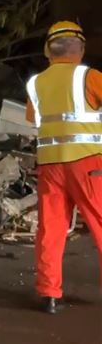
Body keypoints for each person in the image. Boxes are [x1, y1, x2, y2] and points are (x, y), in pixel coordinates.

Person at [24, 20, 102, 314]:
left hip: (51, 166)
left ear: (48, 50)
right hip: (88, 164)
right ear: (80, 49)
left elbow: (35, 119)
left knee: (51, 230)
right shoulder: (89, 77)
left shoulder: (36, 83)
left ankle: (49, 294)